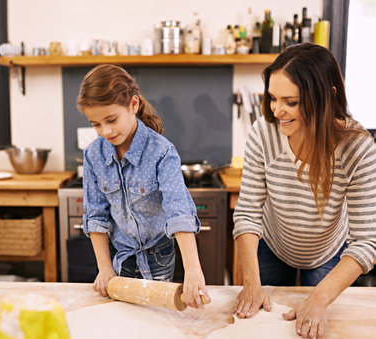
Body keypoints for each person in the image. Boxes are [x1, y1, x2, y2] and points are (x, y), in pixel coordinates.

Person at [233, 42, 376, 338]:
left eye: (292, 102)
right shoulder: (264, 133)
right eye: (273, 98)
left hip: (327, 254)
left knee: (312, 327)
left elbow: (366, 242)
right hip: (272, 248)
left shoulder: (358, 148)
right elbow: (247, 214)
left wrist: (319, 298)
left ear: (327, 96)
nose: (277, 111)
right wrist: (251, 282)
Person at [77, 64, 210, 309]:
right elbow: (96, 216)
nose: (105, 131)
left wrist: (193, 270)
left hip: (158, 254)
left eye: (111, 120)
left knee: (155, 317)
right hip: (121, 256)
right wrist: (105, 268)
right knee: (124, 319)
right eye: (96, 124)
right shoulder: (93, 156)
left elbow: (178, 211)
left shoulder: (162, 151)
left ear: (133, 105)